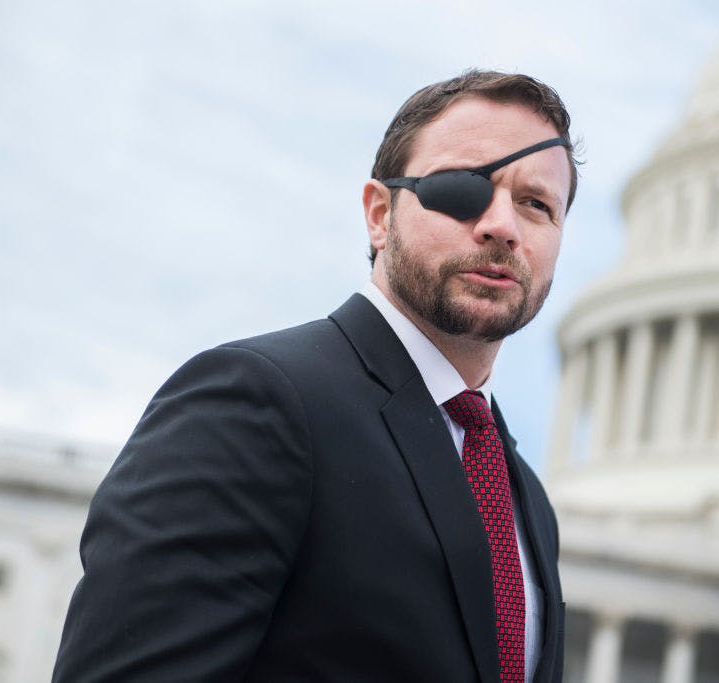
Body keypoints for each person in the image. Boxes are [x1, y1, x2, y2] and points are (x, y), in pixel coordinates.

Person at [52, 69, 579, 683]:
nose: (501, 226)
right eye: (462, 187)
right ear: (379, 215)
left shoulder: (526, 498)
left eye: (536, 205)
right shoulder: (254, 404)